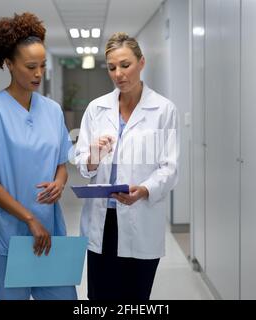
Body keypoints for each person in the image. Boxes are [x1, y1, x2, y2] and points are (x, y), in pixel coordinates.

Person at [0, 13, 76, 300]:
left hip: (49, 228)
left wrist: (59, 182)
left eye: (42, 66)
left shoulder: (51, 110)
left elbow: (61, 163)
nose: (38, 73)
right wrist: (28, 219)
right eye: (30, 66)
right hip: (9, 232)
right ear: (9, 65)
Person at [75, 32, 179, 300]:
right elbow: (83, 165)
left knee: (135, 297)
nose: (119, 74)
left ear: (141, 63)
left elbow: (169, 168)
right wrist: (94, 155)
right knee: (100, 297)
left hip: (140, 217)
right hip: (103, 219)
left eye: (125, 65)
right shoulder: (96, 108)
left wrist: (143, 190)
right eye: (112, 67)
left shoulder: (163, 110)